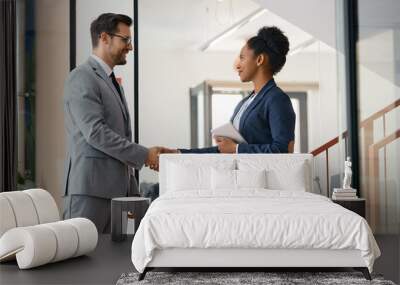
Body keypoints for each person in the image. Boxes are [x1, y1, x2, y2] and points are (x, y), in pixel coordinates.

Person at [63, 13, 170, 233]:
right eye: (125, 40)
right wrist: (144, 154)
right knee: (83, 262)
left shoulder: (113, 83)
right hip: (91, 193)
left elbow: (119, 137)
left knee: (124, 260)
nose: (130, 47)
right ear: (104, 38)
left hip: (122, 194)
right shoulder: (82, 77)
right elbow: (96, 133)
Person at [179, 26, 296, 154]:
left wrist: (236, 148)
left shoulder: (277, 99)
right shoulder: (245, 103)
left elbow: (282, 150)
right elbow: (224, 151)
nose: (237, 66)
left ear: (260, 60)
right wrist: (178, 153)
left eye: (242, 58)